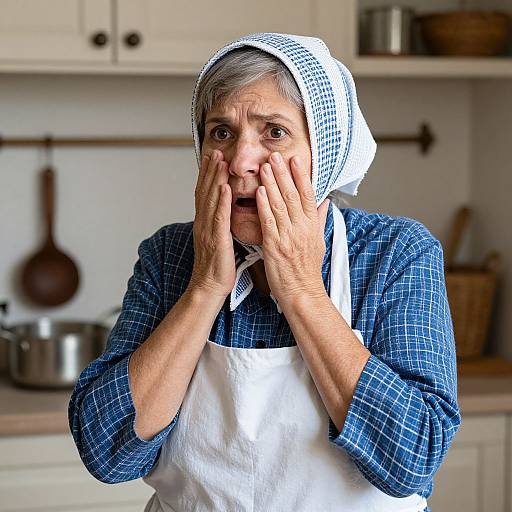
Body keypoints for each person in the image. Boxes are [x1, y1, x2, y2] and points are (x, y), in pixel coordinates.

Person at [69, 33, 461, 512]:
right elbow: (107, 453)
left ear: (328, 151)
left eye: (274, 131)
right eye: (221, 132)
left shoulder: (395, 253)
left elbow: (412, 459)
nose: (240, 162)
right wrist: (205, 287)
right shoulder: (169, 256)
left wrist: (300, 288)